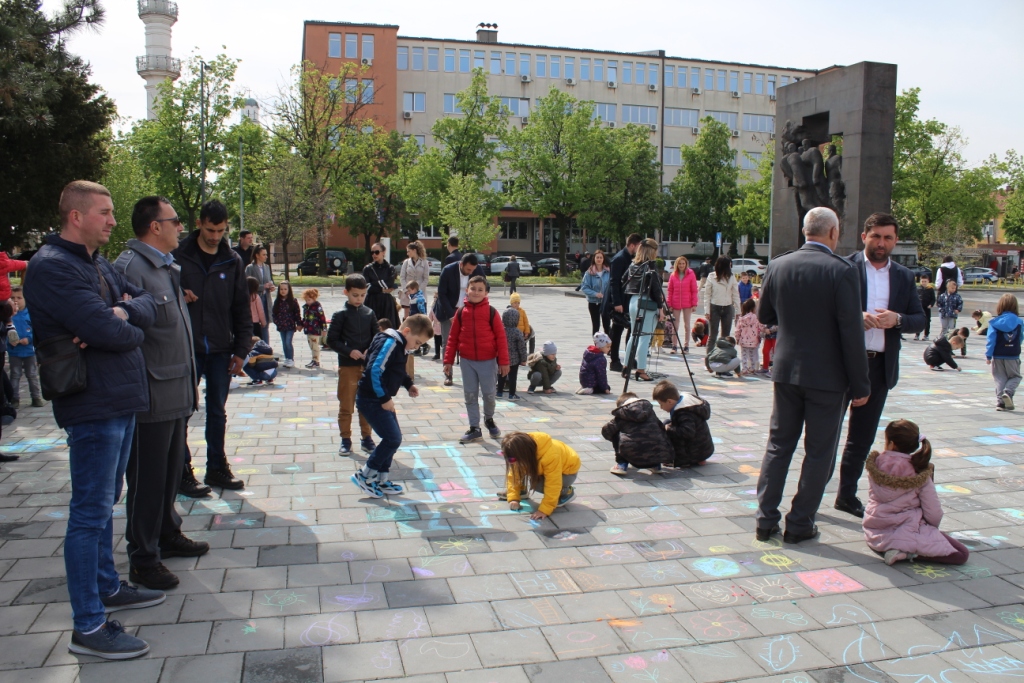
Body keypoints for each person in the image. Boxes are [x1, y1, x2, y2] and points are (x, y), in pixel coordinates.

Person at [25, 180, 161, 659]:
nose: (112, 220)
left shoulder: (97, 263)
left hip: (119, 398)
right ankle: (88, 625)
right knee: (89, 512)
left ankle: (107, 585)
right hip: (91, 403)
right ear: (76, 216)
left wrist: (121, 311)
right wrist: (120, 322)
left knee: (106, 503)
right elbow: (110, 331)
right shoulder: (52, 266)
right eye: (104, 212)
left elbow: (148, 303)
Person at [754, 207, 869, 544]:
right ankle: (800, 523)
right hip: (828, 377)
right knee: (819, 452)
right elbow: (852, 333)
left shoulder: (779, 265)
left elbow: (765, 315)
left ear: (805, 231)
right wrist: (861, 384)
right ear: (833, 233)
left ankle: (765, 519)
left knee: (779, 445)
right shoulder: (842, 270)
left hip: (786, 370)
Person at [113, 195, 208, 592]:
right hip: (151, 395)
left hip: (175, 391)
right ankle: (143, 557)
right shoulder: (130, 269)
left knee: (169, 474)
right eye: (174, 220)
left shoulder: (165, 266)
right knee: (148, 480)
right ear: (155, 226)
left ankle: (167, 533)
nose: (180, 227)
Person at [832, 213, 927, 519]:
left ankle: (846, 495)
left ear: (895, 241)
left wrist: (897, 319)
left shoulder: (903, 276)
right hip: (841, 364)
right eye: (876, 236)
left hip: (878, 367)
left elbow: (919, 319)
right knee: (826, 434)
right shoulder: (843, 267)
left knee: (861, 437)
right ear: (864, 237)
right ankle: (810, 494)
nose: (881, 243)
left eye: (887, 238)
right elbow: (825, 310)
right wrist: (854, 317)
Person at [174, 199, 251, 495]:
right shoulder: (178, 255)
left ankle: (217, 467)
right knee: (182, 411)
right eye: (210, 230)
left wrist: (241, 350)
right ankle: (181, 471)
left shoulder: (232, 260)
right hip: (186, 348)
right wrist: (179, 293)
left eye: (220, 231)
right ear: (199, 224)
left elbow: (241, 308)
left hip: (220, 349)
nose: (215, 236)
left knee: (217, 411)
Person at [863, 419, 969, 566]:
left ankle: (895, 547)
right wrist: (930, 529)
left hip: (874, 528)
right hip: (908, 527)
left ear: (891, 444)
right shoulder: (918, 471)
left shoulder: (877, 463)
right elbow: (933, 511)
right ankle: (906, 552)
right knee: (961, 554)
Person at [350, 315, 432, 498]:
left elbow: (397, 370)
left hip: (379, 398)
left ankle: (381, 478)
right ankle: (364, 476)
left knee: (394, 438)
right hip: (372, 399)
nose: (416, 347)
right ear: (407, 331)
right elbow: (374, 370)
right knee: (392, 439)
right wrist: (384, 398)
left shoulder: (400, 345)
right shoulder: (390, 343)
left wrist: (408, 384)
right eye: (417, 342)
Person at [443, 275, 510, 443]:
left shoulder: (491, 312)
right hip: (467, 361)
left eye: (480, 289)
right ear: (467, 290)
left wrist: (504, 362)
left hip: (488, 361)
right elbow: (452, 338)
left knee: (489, 394)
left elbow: (501, 338)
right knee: (470, 395)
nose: (476, 292)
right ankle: (474, 428)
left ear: (486, 293)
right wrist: (448, 361)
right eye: (473, 289)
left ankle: (489, 419)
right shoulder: (460, 312)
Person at [327, 274, 379, 455]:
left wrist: (369, 350)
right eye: (355, 295)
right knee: (346, 405)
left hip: (366, 366)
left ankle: (367, 437)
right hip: (348, 366)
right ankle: (346, 439)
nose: (359, 299)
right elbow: (331, 340)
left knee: (367, 404)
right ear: (346, 292)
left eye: (363, 295)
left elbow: (377, 337)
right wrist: (349, 351)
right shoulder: (340, 314)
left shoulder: (369, 313)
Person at [502, 431, 579, 519]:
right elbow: (513, 475)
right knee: (520, 466)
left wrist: (545, 510)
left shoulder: (551, 456)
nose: (511, 462)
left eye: (512, 459)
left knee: (537, 485)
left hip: (567, 472)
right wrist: (514, 497)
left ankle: (566, 492)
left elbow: (553, 483)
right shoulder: (523, 446)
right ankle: (521, 491)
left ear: (523, 454)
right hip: (546, 467)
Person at [434, 254, 485, 384]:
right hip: (448, 310)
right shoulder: (448, 270)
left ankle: (472, 374)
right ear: (461, 264)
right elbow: (442, 294)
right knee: (447, 342)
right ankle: (448, 374)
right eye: (468, 270)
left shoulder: (477, 270)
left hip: (469, 310)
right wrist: (451, 315)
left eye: (473, 270)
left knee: (470, 342)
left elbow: (485, 288)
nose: (471, 272)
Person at [621, 238, 664, 382]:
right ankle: (641, 369)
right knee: (645, 337)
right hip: (647, 303)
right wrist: (661, 308)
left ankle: (626, 367)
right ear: (652, 251)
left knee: (633, 335)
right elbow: (656, 289)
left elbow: (623, 279)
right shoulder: (651, 266)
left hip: (633, 301)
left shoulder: (633, 264)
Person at [602, 391, 674, 475]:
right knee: (656, 431)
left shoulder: (622, 414)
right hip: (658, 455)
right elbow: (661, 427)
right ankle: (656, 465)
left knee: (615, 432)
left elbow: (606, 431)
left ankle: (622, 465)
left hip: (633, 455)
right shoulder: (649, 412)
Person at [653, 380, 713, 468]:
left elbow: (687, 433)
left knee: (665, 429)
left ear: (670, 401)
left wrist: (669, 429)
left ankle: (682, 460)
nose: (661, 408)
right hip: (703, 449)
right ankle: (698, 459)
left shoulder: (684, 413)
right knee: (667, 423)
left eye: (661, 404)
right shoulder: (686, 405)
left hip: (696, 452)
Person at [606, 234, 642, 373]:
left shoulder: (630, 258)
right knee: (617, 331)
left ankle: (629, 358)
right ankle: (614, 360)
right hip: (619, 301)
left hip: (627, 299)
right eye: (638, 246)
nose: (639, 250)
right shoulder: (620, 258)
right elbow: (614, 282)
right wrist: (617, 302)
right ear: (632, 245)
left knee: (631, 329)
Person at [6, 286, 44, 408]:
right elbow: (5, 331)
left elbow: (37, 330)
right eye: (13, 298)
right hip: (14, 351)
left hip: (29, 351)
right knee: (15, 375)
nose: (16, 300)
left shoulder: (30, 314)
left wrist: (29, 338)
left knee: (32, 375)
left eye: (19, 298)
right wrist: (10, 341)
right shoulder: (8, 315)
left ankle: (36, 397)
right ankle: (14, 398)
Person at [702, 256, 741, 370]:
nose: (731, 266)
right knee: (712, 336)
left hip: (728, 308)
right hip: (714, 307)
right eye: (729, 264)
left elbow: (735, 294)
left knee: (725, 337)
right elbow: (707, 295)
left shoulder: (731, 277)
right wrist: (707, 311)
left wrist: (738, 311)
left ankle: (723, 362)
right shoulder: (711, 276)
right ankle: (709, 363)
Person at [986, 293, 1023, 411]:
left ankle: (1001, 403)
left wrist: (988, 355)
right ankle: (1008, 392)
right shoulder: (1019, 321)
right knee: (1015, 376)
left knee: (1000, 378)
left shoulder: (994, 322)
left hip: (998, 355)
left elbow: (991, 340)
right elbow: (1020, 337)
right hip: (1013, 355)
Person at [362, 243, 399, 329]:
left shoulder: (391, 268)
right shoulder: (368, 269)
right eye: (372, 252)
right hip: (371, 301)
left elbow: (390, 283)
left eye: (377, 252)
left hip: (386, 303)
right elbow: (367, 287)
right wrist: (382, 289)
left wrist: (374, 283)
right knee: (371, 328)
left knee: (388, 328)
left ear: (383, 252)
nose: (374, 254)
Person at [666, 256, 698, 354]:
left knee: (687, 325)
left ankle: (686, 346)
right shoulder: (673, 275)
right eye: (680, 263)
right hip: (675, 303)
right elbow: (670, 290)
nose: (681, 265)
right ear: (677, 264)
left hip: (687, 303)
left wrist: (694, 303)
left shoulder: (691, 274)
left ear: (686, 264)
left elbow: (694, 290)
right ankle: (674, 346)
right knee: (675, 325)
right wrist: (669, 304)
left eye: (683, 263)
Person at [245, 245, 275, 342]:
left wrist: (271, 286)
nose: (266, 256)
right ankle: (257, 344)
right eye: (264, 254)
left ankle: (266, 346)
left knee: (265, 323)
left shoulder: (266, 267)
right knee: (256, 324)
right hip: (255, 299)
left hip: (266, 298)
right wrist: (262, 286)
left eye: (266, 254)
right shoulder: (250, 268)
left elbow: (269, 280)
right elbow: (247, 284)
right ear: (257, 255)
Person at [497, 307, 527, 401]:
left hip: (501, 358)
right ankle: (512, 394)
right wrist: (523, 359)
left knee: (501, 375)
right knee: (513, 377)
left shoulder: (501, 331)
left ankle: (499, 393)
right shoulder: (517, 332)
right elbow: (522, 347)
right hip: (514, 359)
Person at [580, 249, 611, 335]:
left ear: (603, 259)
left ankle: (608, 342)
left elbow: (612, 286)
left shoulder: (608, 272)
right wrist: (595, 294)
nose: (599, 259)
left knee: (607, 325)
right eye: (597, 257)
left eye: (601, 257)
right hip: (594, 303)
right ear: (594, 258)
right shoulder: (589, 273)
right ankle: (596, 342)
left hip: (605, 303)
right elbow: (584, 287)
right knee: (596, 325)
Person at [271, 281, 301, 368]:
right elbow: (274, 313)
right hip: (281, 326)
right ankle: (287, 358)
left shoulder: (293, 301)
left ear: (289, 290)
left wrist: (299, 323)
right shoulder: (277, 301)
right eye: (281, 289)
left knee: (288, 342)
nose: (283, 291)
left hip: (290, 326)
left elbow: (297, 313)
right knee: (284, 343)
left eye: (285, 289)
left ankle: (291, 359)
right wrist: (277, 322)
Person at [399, 241, 429, 319]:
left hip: (420, 294)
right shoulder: (406, 262)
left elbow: (426, 279)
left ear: (414, 250)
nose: (407, 253)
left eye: (409, 251)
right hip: (407, 293)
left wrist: (418, 291)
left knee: (419, 315)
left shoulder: (424, 262)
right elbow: (402, 277)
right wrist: (406, 290)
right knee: (407, 315)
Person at [734, 299, 762, 375]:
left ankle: (744, 369)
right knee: (752, 355)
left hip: (743, 340)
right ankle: (752, 368)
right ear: (753, 308)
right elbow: (760, 327)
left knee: (744, 355)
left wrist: (737, 338)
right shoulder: (755, 317)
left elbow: (737, 330)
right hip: (753, 340)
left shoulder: (741, 318)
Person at [301, 288, 327, 369]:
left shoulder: (317, 307)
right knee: (311, 345)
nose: (307, 302)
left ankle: (316, 361)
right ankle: (314, 360)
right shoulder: (306, 307)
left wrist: (324, 329)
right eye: (306, 300)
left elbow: (322, 318)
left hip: (315, 329)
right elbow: (305, 318)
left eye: (309, 300)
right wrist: (301, 324)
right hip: (308, 329)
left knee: (315, 345)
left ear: (314, 298)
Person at [914, 273, 936, 341]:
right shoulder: (917, 288)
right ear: (920, 281)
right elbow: (915, 298)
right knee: (918, 321)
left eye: (925, 281)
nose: (923, 283)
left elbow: (933, 299)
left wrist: (931, 304)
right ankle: (917, 334)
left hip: (927, 308)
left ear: (928, 281)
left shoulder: (930, 289)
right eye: (922, 281)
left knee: (927, 321)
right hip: (919, 308)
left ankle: (926, 335)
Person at [428, 291, 443, 360]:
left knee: (442, 342)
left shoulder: (443, 308)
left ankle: (446, 353)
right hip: (435, 328)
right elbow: (430, 318)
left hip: (442, 328)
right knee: (436, 341)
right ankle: (437, 354)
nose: (435, 299)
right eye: (434, 297)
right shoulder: (433, 308)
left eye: (437, 297)